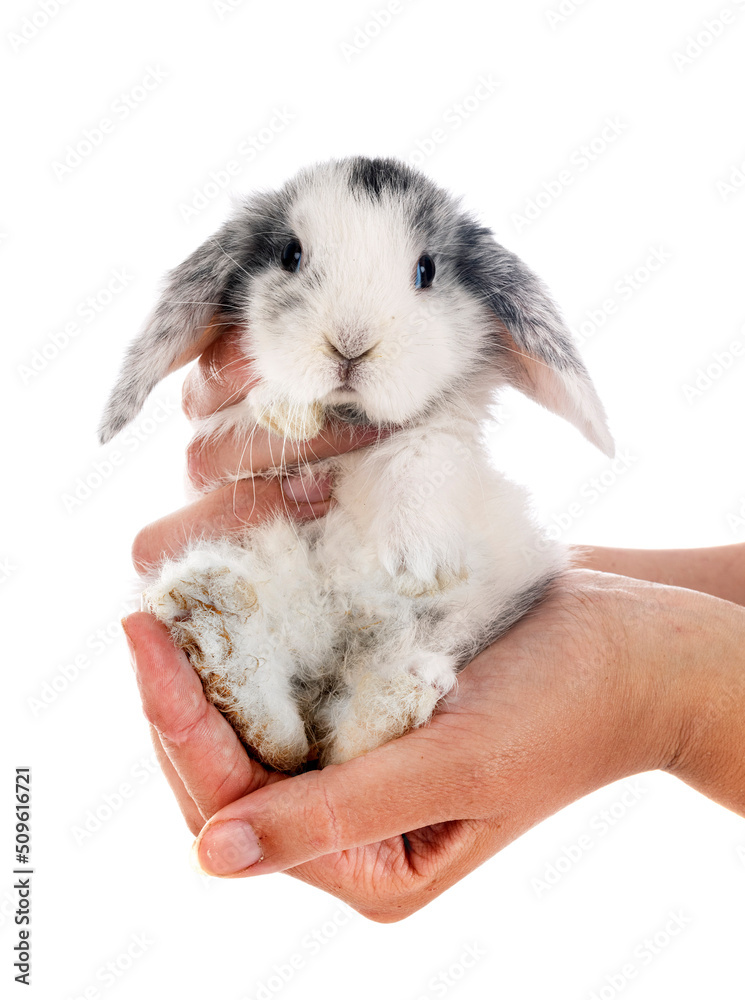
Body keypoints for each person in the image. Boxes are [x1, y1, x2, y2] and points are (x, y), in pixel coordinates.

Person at [122, 329, 745, 923]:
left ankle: (374, 707)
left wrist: (664, 678)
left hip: (427, 599)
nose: (351, 339)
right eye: (295, 264)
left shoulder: (452, 356)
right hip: (366, 564)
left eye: (421, 273)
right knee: (278, 565)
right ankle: (254, 663)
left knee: (434, 583)